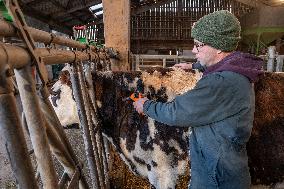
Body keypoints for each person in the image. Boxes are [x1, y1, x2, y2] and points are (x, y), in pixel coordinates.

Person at [133, 10, 263, 189]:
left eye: (199, 45)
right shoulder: (236, 70)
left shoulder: (221, 82)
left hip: (216, 177)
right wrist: (194, 66)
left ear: (218, 47)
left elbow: (176, 112)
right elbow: (219, 64)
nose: (194, 50)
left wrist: (145, 105)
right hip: (224, 166)